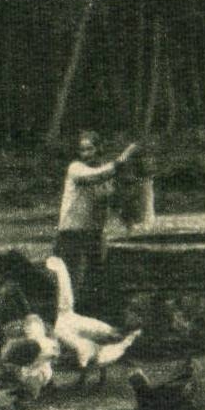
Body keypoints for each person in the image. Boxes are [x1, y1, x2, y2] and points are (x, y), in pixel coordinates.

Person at [54, 131, 139, 314]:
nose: (86, 154)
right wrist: (122, 159)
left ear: (98, 149)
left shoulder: (106, 177)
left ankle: (95, 314)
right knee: (69, 280)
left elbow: (115, 199)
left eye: (90, 149)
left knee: (95, 278)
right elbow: (98, 175)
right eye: (82, 150)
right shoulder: (76, 168)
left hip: (93, 234)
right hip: (71, 233)